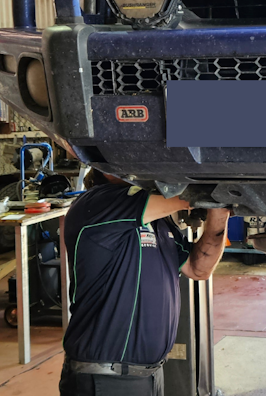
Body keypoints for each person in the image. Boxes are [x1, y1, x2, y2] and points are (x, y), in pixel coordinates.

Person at [59, 169, 230, 396]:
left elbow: (199, 269)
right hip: (106, 379)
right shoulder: (95, 205)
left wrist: (221, 214)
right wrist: (221, 187)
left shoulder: (160, 224)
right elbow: (185, 197)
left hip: (150, 375)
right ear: (107, 170)